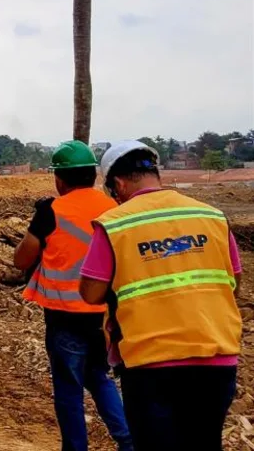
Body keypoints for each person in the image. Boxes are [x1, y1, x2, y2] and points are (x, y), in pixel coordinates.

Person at [79, 141, 243, 451]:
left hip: (150, 363)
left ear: (118, 184)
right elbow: (233, 279)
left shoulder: (116, 224)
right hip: (216, 358)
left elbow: (91, 293)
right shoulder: (211, 217)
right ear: (157, 174)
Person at [13, 141, 133, 451]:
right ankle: (128, 441)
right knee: (99, 377)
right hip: (106, 318)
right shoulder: (116, 209)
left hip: (64, 317)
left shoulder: (51, 211)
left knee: (68, 389)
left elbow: (21, 260)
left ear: (60, 179)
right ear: (94, 175)